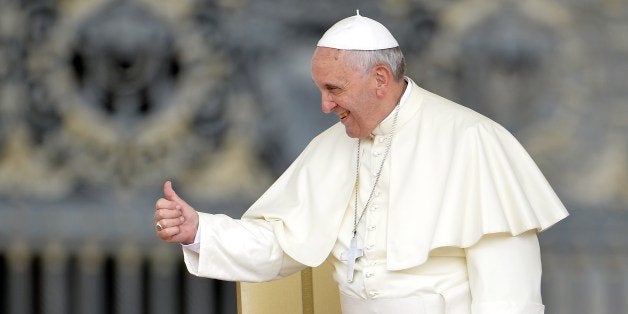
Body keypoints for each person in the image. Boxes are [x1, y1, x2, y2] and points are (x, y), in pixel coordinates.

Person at [154, 11, 568, 314]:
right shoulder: (330, 146)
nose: (323, 104)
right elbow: (282, 244)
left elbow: (508, 292)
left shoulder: (473, 139)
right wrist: (200, 230)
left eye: (334, 88)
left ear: (380, 80)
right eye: (319, 88)